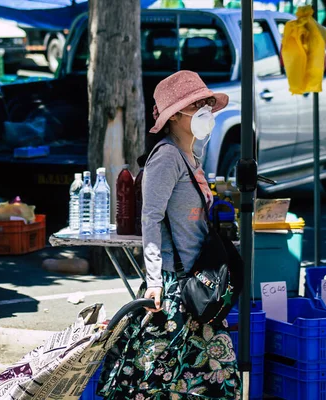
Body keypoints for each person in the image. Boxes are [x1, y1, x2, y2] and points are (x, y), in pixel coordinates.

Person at [98, 70, 241, 399]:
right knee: (152, 380)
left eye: (207, 102)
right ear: (174, 115)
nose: (206, 109)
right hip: (173, 290)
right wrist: (154, 281)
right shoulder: (165, 157)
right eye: (197, 104)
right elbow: (150, 218)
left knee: (214, 379)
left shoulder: (191, 156)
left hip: (197, 287)